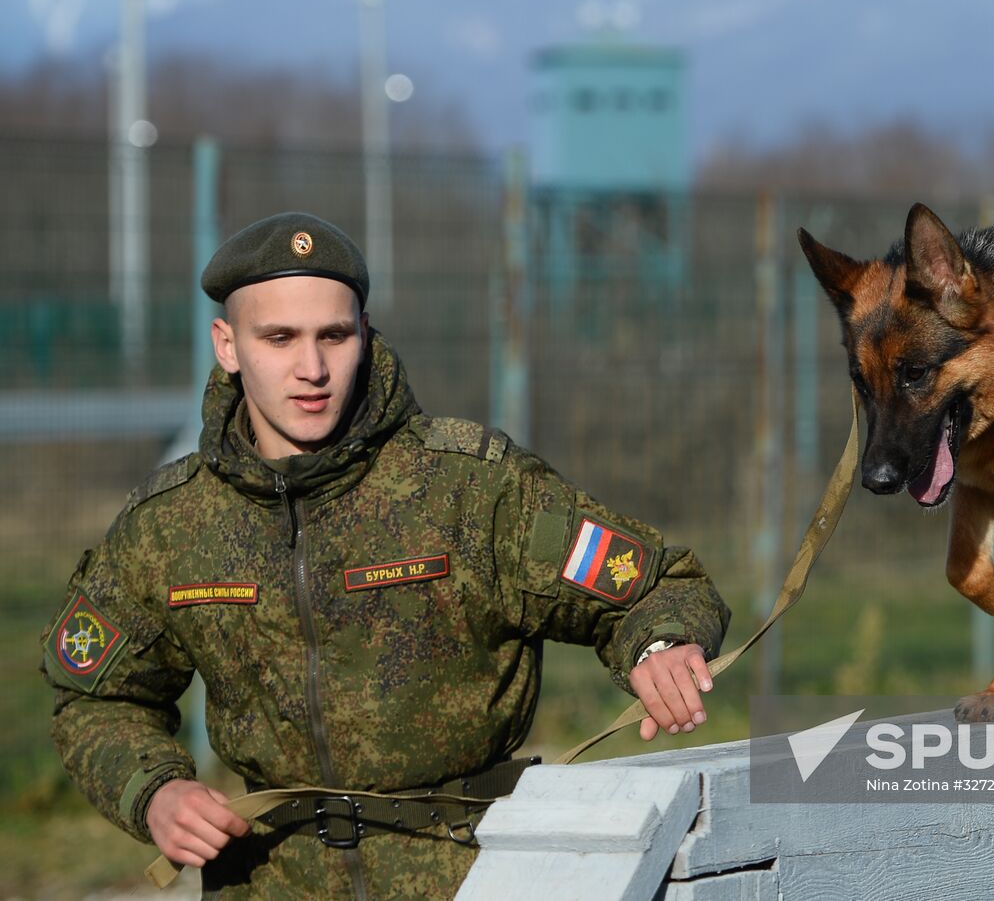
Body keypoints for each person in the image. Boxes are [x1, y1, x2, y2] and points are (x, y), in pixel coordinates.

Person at [40, 212, 731, 899]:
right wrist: (154, 792)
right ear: (227, 345)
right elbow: (96, 697)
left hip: (477, 875)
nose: (311, 369)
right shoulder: (170, 525)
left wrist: (661, 646)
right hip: (271, 882)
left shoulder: (469, 489)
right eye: (279, 338)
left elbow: (658, 583)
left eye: (333, 336)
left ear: (363, 336)